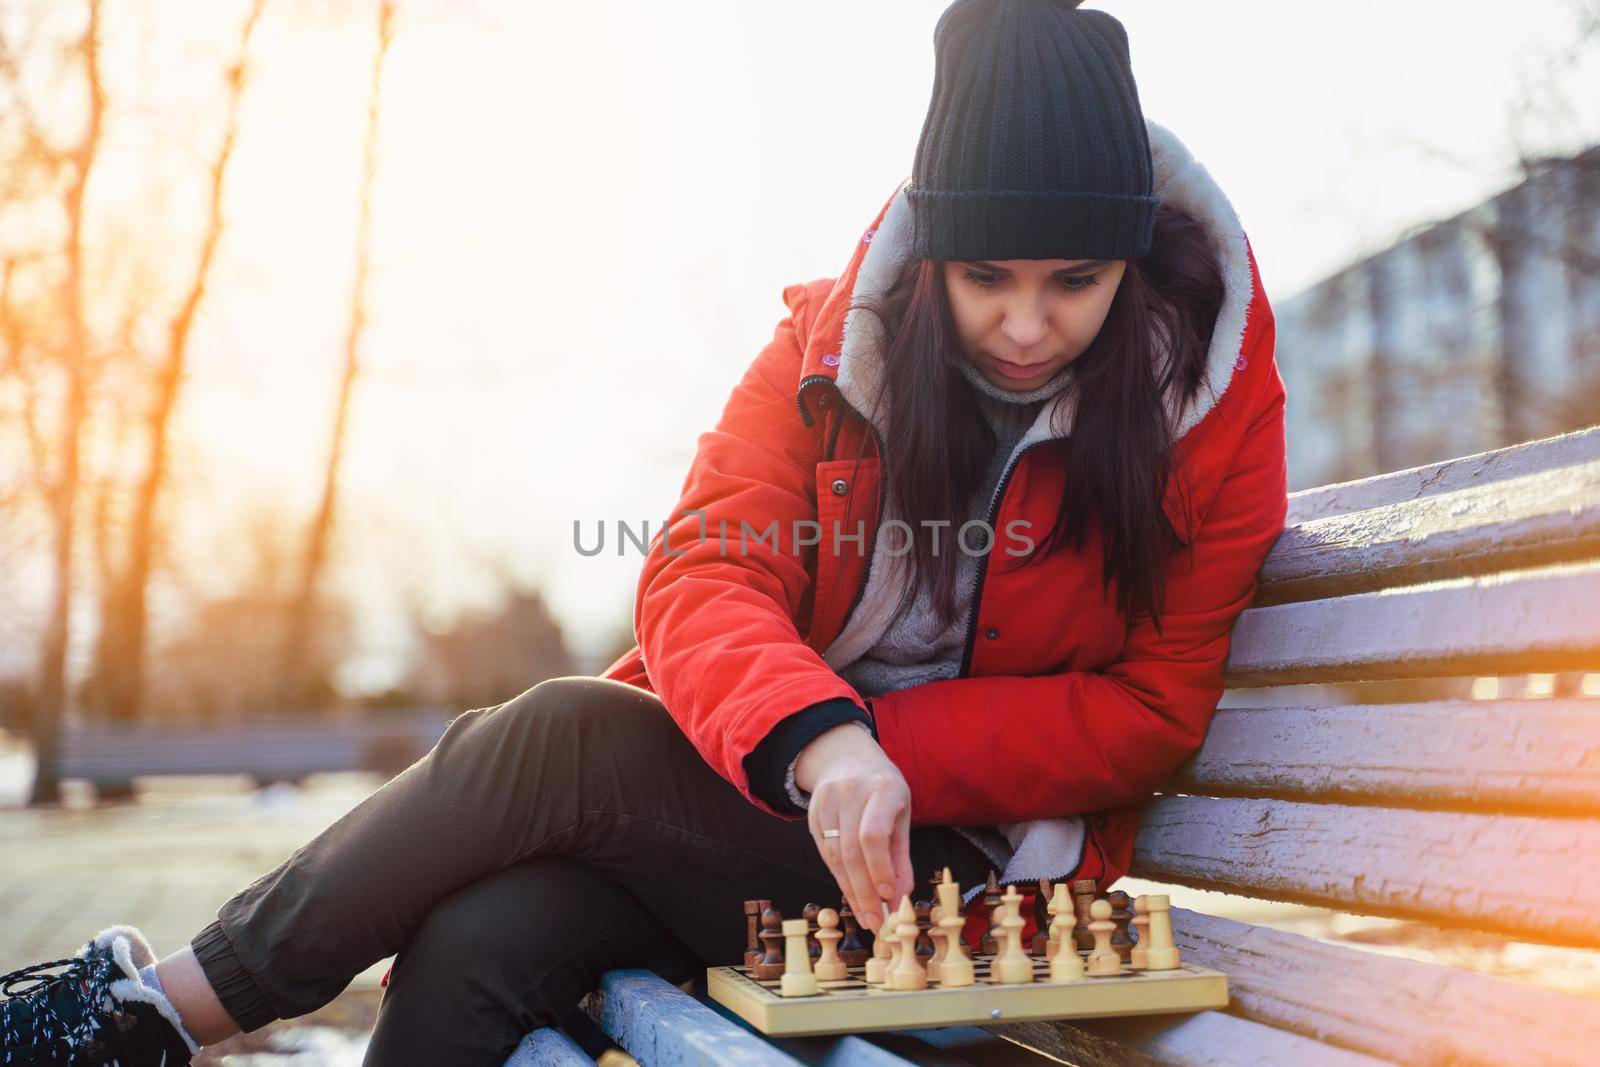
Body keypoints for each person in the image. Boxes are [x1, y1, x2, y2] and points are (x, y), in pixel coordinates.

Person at [0, 1, 1288, 1063]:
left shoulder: (1209, 407)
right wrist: (820, 742)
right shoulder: (833, 352)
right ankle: (151, 1014)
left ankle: (156, 1013)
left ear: (1134, 262)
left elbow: (1154, 708)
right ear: (931, 254)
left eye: (1076, 283)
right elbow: (702, 569)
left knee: (556, 734)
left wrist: (872, 749)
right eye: (986, 278)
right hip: (775, 809)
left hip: (976, 874)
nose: (1024, 324)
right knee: (482, 935)